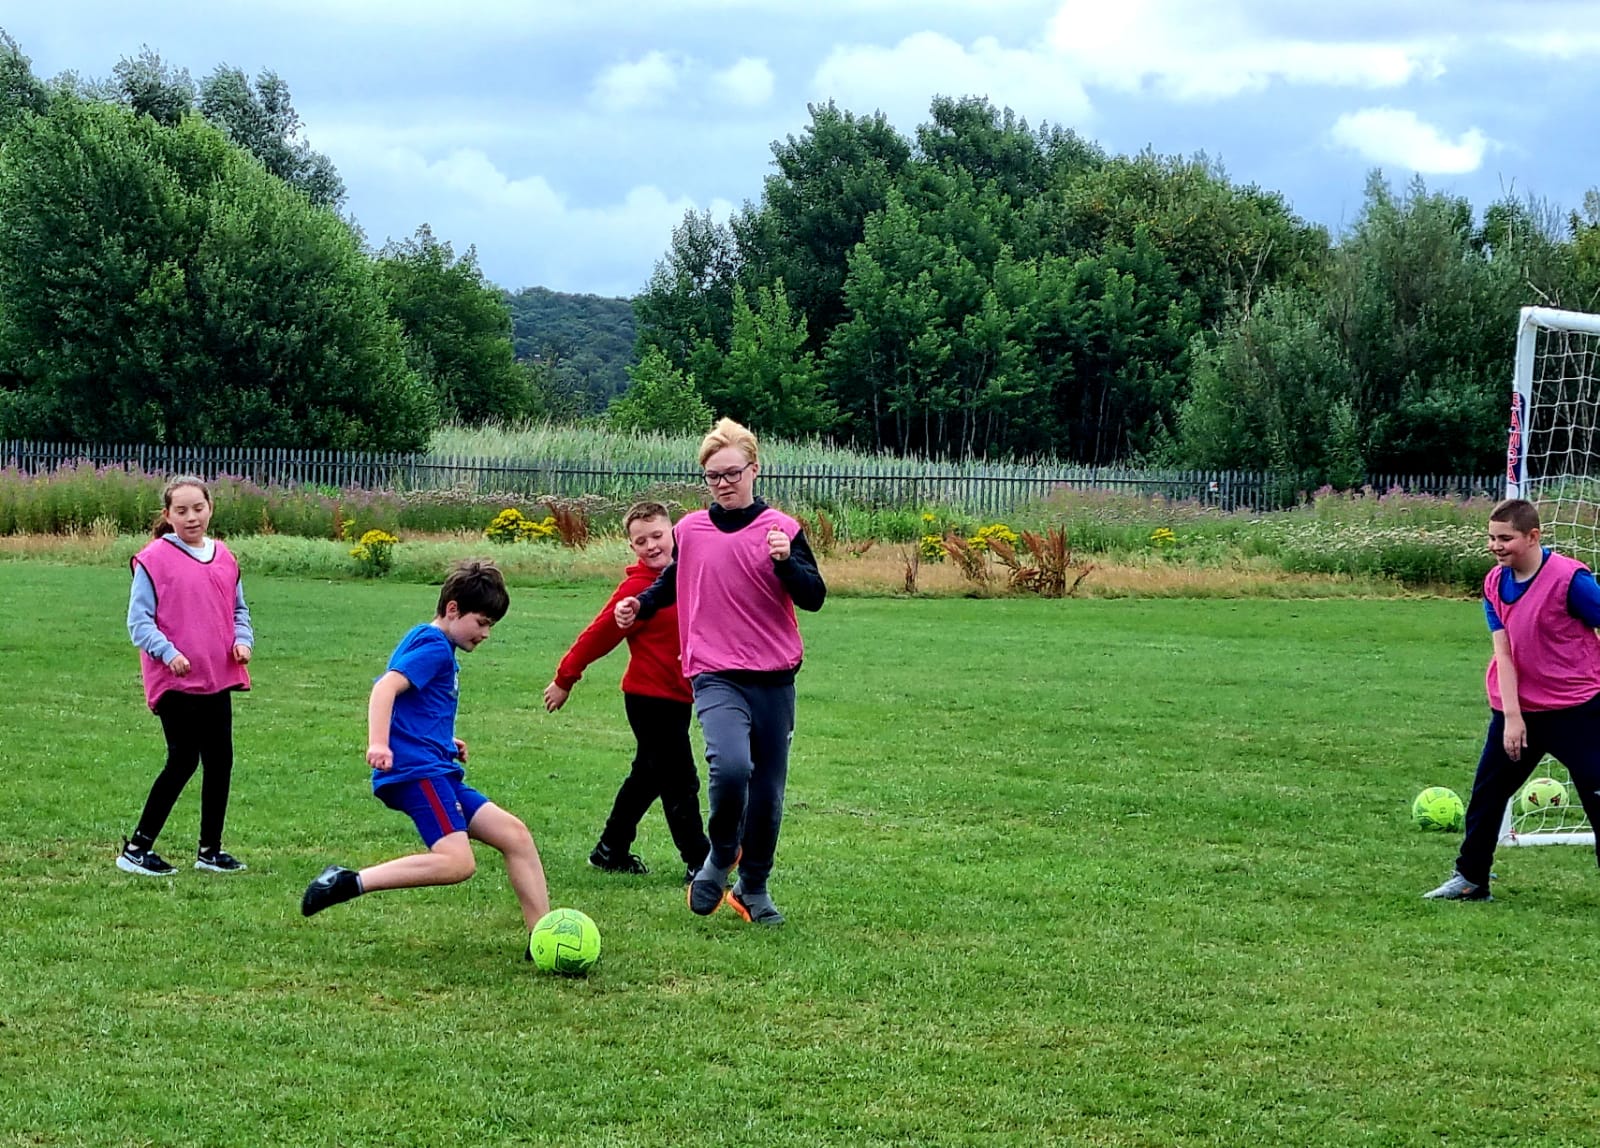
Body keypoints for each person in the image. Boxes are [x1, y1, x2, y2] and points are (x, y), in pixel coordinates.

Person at [615, 419, 826, 925]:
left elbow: (813, 596)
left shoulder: (782, 530)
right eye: (713, 476)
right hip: (714, 673)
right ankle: (721, 851)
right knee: (731, 768)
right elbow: (670, 582)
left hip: (774, 677)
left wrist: (784, 564)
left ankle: (753, 887)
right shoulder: (690, 530)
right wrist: (639, 604)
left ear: (754, 470)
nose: (724, 483)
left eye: (732, 472)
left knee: (769, 793)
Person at [301, 560, 551, 953]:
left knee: (514, 835)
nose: (485, 633)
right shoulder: (434, 646)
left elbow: (416, 706)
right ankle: (348, 882)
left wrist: (446, 740)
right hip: (417, 773)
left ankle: (542, 938)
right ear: (453, 609)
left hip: (436, 766)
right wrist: (378, 743)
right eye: (482, 622)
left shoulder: (437, 645)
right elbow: (385, 689)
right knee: (458, 863)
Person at [1425, 498, 1600, 900]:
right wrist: (1513, 717)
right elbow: (1503, 653)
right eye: (1491, 538)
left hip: (1579, 711)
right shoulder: (1494, 582)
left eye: (1506, 538)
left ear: (1533, 536)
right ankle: (1471, 880)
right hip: (1519, 711)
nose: (1495, 546)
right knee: (1487, 793)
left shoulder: (1570, 581)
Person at [544, 501, 710, 883]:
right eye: (640, 541)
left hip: (679, 696)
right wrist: (565, 678)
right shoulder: (637, 590)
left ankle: (610, 849)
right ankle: (700, 862)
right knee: (680, 779)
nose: (651, 546)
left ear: (674, 534)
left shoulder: (689, 576)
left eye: (657, 536)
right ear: (632, 547)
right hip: (650, 699)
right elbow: (597, 636)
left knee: (648, 776)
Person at [119, 475, 254, 876]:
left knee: (220, 761)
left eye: (198, 508)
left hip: (216, 677)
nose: (191, 517)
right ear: (168, 515)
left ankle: (210, 851)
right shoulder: (154, 559)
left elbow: (238, 612)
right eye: (181, 510)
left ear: (210, 508)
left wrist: (242, 640)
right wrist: (169, 652)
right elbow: (138, 622)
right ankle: (136, 850)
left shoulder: (225, 557)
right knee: (183, 759)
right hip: (176, 681)